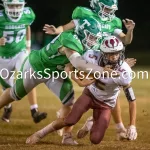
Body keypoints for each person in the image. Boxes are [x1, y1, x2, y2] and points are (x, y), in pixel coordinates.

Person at [0, 17, 115, 145]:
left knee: (69, 102)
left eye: (95, 38)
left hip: (56, 72)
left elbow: (68, 67)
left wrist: (78, 80)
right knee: (15, 94)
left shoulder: (83, 44)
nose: (93, 41)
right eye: (90, 36)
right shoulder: (69, 39)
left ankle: (67, 136)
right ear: (81, 32)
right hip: (36, 67)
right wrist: (101, 70)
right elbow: (78, 63)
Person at [42, 0, 136, 139]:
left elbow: (125, 41)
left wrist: (130, 31)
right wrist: (57, 30)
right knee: (79, 89)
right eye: (107, 8)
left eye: (111, 9)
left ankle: (116, 126)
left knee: (110, 91)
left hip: (105, 58)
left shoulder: (113, 22)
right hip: (86, 56)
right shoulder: (85, 14)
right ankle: (68, 129)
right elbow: (69, 26)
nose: (110, 12)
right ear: (97, 4)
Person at [26, 36, 137, 145]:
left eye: (117, 53)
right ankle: (39, 134)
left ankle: (91, 121)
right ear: (103, 53)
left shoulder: (124, 71)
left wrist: (132, 125)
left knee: (95, 139)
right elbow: (69, 67)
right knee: (70, 120)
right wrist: (79, 81)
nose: (114, 57)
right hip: (90, 95)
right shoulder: (91, 56)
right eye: (111, 54)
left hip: (106, 104)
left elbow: (131, 99)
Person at [0, 0, 47, 123]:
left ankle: (34, 111)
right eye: (12, 5)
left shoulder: (28, 14)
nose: (15, 9)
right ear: (5, 5)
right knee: (6, 87)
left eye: (17, 5)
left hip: (20, 52)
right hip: (2, 56)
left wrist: (28, 46)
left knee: (28, 76)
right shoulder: (1, 17)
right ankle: (8, 107)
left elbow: (27, 26)